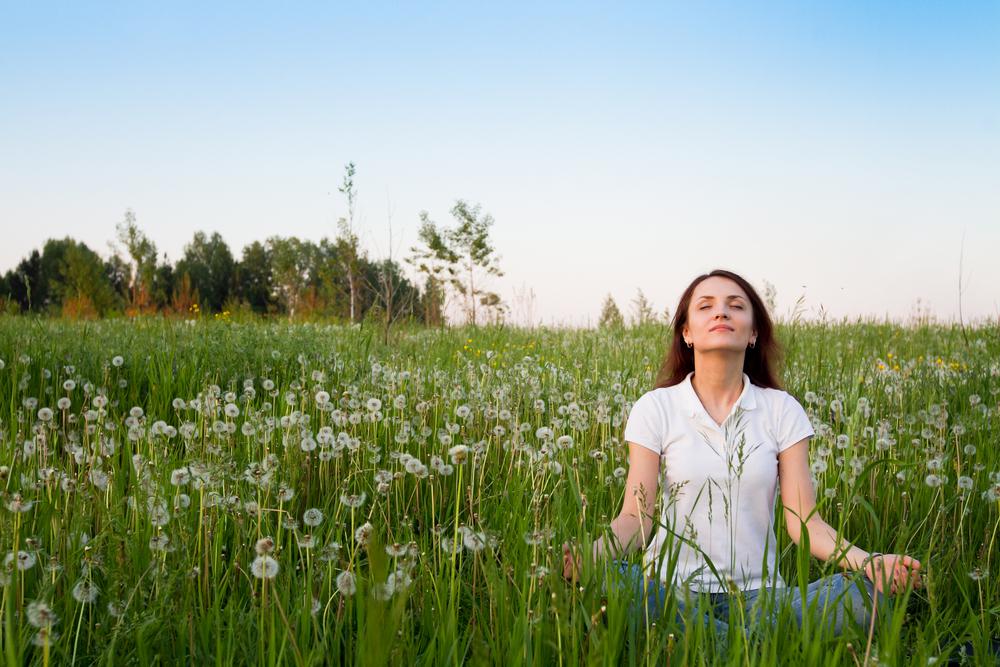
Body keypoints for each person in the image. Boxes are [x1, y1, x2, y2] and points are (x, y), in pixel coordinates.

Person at [563, 269, 922, 638]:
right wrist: (592, 555)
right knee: (613, 581)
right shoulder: (656, 407)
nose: (721, 312)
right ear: (686, 333)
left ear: (753, 334)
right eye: (706, 306)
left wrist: (869, 562)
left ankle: (707, 643)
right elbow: (635, 518)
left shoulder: (781, 409)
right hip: (670, 591)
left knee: (864, 594)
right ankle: (754, 645)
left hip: (762, 597)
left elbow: (805, 524)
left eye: (735, 306)